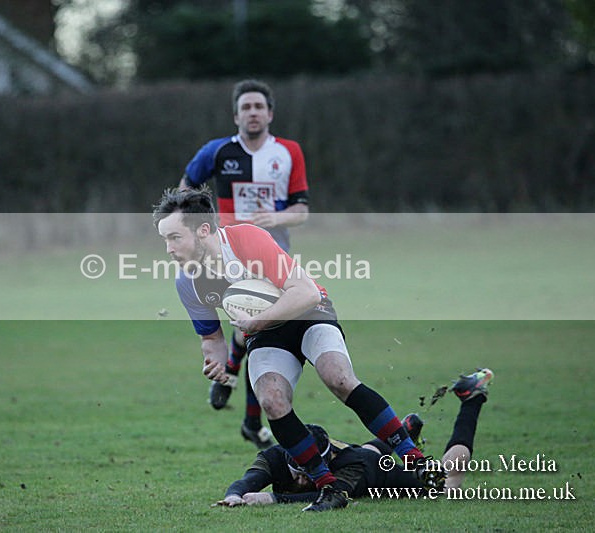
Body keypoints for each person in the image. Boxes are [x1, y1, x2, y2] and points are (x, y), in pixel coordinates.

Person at [152, 187, 444, 512]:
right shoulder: (188, 281)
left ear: (203, 229)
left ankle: (414, 459)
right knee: (271, 400)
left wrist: (258, 321)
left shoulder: (247, 240)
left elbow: (305, 292)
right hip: (266, 332)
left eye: (175, 237)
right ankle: (328, 487)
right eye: (165, 239)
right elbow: (212, 339)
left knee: (339, 378)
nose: (168, 248)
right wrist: (216, 364)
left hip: (307, 312)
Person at [180, 79, 310, 449]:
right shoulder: (217, 151)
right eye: (246, 107)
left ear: (270, 113)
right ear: (236, 115)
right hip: (226, 257)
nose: (252, 112)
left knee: (256, 331)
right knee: (253, 329)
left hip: (273, 258)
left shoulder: (288, 152)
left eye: (259, 106)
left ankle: (234, 380)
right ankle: (250, 415)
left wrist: (276, 219)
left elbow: (301, 212)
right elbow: (186, 191)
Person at [216, 368, 494, 510]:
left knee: (448, 484)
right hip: (364, 451)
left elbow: (332, 496)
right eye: (298, 472)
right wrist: (233, 496)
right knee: (368, 450)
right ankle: (404, 431)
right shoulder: (275, 455)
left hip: (374, 471)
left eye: (308, 473)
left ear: (328, 461)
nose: (301, 480)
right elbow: (247, 481)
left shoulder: (349, 465)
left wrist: (273, 499)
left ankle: (471, 398)